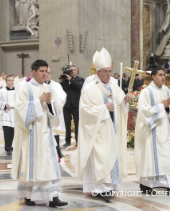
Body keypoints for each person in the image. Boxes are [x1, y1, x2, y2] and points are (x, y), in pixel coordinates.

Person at [76, 47, 132, 202]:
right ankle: (101, 189)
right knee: (100, 158)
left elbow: (120, 105)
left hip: (113, 130)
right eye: (105, 71)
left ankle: (110, 188)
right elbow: (85, 110)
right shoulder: (89, 88)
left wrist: (125, 102)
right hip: (98, 131)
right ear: (98, 72)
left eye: (109, 71)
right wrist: (103, 109)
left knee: (112, 156)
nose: (109, 74)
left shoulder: (115, 87)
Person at [11, 60, 68, 208]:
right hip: (30, 134)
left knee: (49, 163)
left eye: (46, 71)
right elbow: (20, 110)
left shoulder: (50, 88)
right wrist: (38, 101)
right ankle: (29, 195)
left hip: (46, 133)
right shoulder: (24, 87)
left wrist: (49, 103)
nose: (45, 74)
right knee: (32, 165)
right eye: (41, 71)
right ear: (33, 72)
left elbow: (56, 112)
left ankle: (53, 196)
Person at [134, 67, 170, 195]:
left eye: (164, 75)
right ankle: (146, 185)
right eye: (160, 75)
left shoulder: (167, 90)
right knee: (151, 157)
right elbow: (144, 111)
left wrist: (168, 108)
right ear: (153, 76)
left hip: (165, 130)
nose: (163, 77)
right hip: (152, 131)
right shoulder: (146, 92)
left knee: (168, 156)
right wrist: (162, 106)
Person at [44, 67, 67, 159]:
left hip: (54, 112)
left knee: (55, 132)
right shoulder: (38, 85)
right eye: (45, 72)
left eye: (48, 73)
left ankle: (57, 151)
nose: (47, 75)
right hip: (43, 113)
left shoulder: (56, 85)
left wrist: (53, 103)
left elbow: (63, 96)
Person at [60, 64, 84, 147]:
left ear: (77, 70)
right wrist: (62, 80)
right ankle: (67, 141)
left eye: (74, 70)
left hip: (76, 104)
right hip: (66, 104)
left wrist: (71, 79)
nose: (72, 71)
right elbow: (62, 89)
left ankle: (78, 141)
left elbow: (79, 87)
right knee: (67, 123)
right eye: (71, 70)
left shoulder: (80, 79)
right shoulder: (65, 79)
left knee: (77, 123)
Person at [0, 75, 16, 155]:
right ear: (6, 82)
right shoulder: (2, 91)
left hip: (15, 114)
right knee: (8, 132)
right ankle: (8, 148)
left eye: (12, 80)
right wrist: (4, 105)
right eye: (9, 80)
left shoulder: (18, 91)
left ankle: (15, 147)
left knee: (15, 133)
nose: (11, 81)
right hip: (6, 113)